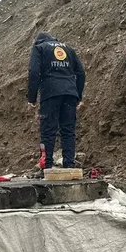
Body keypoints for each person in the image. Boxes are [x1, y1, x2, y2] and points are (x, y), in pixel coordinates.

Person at [27, 32, 85, 169]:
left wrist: (32, 98)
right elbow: (81, 73)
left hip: (50, 93)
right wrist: (78, 96)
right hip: (70, 93)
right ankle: (69, 166)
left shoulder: (39, 48)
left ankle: (46, 166)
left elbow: (34, 72)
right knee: (68, 131)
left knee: (48, 130)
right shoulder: (68, 48)